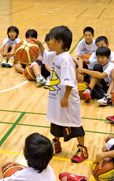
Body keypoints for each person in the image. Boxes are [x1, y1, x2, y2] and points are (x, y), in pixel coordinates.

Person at [38, 26, 88, 163]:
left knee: (75, 124)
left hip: (67, 100)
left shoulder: (66, 59)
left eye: (51, 39)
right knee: (55, 122)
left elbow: (70, 81)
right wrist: (39, 45)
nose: (48, 41)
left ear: (60, 42)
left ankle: (82, 148)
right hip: (56, 97)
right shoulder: (55, 55)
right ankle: (56, 143)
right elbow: (45, 58)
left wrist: (65, 96)